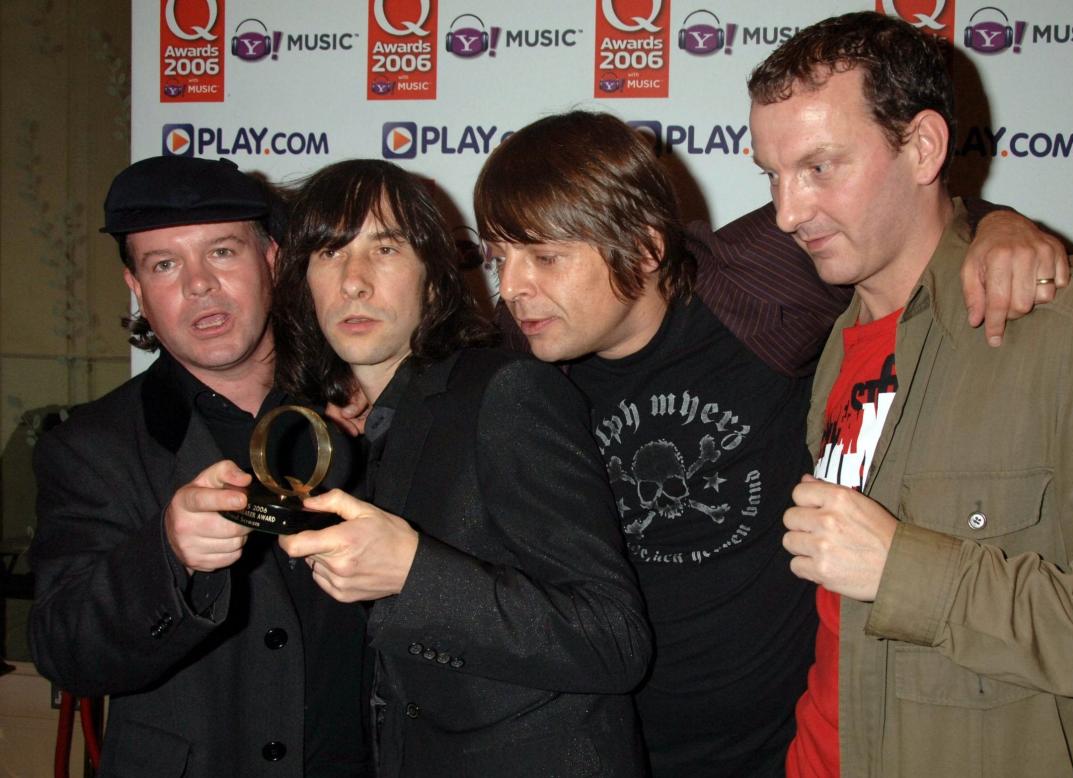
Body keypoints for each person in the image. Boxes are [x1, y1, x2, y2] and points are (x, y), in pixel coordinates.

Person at [473, 111, 1067, 777]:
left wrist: (998, 228)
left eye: (545, 257)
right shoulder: (519, 365)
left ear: (643, 249)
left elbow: (904, 227)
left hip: (786, 747)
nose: (514, 287)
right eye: (499, 258)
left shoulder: (756, 286)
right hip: (614, 750)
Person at [746, 12, 1073, 776]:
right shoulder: (837, 334)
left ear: (925, 147)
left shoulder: (1069, 332)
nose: (786, 213)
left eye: (820, 167)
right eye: (770, 175)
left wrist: (908, 571)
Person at [270, 159, 651, 777]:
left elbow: (613, 640)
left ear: (433, 278)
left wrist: (413, 572)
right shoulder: (316, 430)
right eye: (329, 253)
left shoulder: (507, 392)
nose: (354, 282)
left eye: (385, 249)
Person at [28, 156, 371, 776]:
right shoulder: (90, 446)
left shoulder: (361, 406)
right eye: (164, 264)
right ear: (137, 289)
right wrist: (167, 555)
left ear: (272, 259)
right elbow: (64, 650)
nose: (198, 285)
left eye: (221, 252)